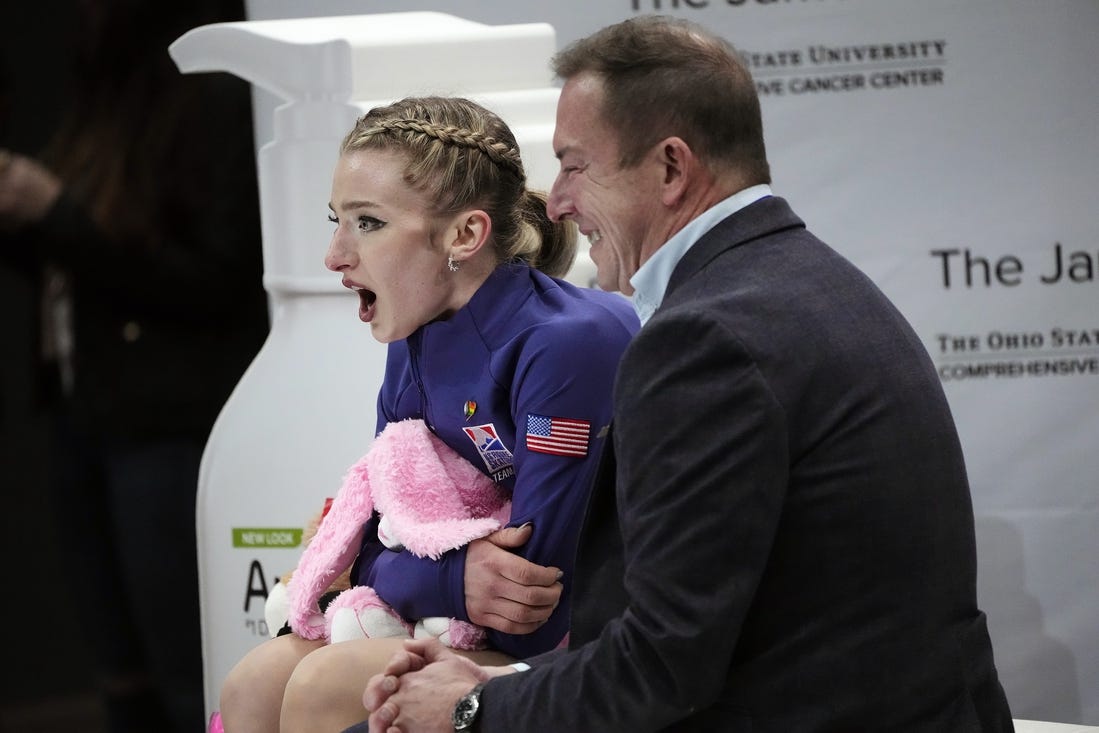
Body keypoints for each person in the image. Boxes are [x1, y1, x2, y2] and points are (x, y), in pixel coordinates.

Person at [356, 15, 1015, 733]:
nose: (556, 203)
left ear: (670, 167)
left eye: (575, 164)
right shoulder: (805, 281)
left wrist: (473, 704)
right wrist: (498, 680)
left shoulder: (703, 340)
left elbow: (665, 667)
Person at [216, 95, 639, 733]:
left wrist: (412, 572)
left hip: (593, 643)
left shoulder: (568, 342)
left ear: (465, 236)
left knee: (324, 685)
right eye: (338, 219)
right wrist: (444, 575)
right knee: (253, 682)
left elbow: (532, 607)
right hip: (465, 622)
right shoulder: (417, 334)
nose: (334, 254)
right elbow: (372, 537)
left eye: (368, 223)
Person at [0, 1, 268, 731]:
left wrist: (55, 212)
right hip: (80, 413)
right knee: (118, 667)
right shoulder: (98, 102)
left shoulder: (203, 99)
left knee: (187, 668)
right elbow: (83, 269)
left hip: (164, 424)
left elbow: (216, 280)